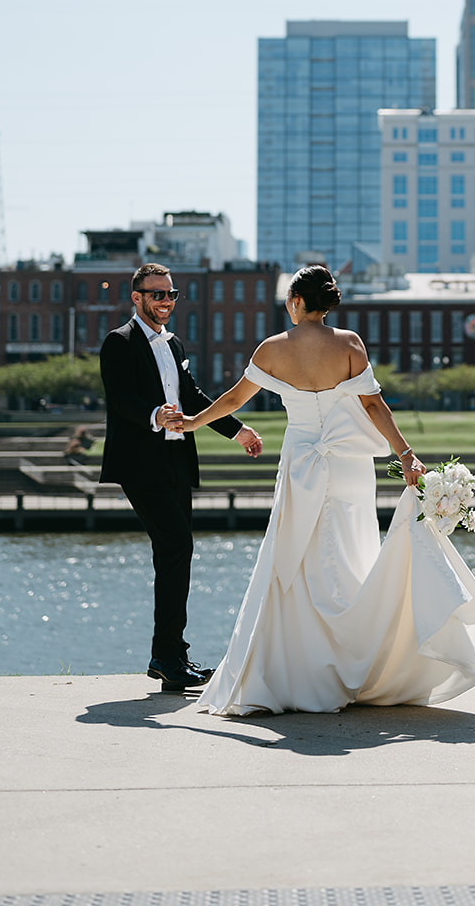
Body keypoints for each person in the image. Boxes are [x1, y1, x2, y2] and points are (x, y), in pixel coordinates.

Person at [164, 262, 475, 715]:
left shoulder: (272, 348)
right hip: (347, 464)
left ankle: (299, 670)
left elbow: (232, 400)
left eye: (288, 298)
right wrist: (405, 455)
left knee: (295, 561)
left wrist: (190, 423)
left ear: (297, 302)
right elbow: (374, 404)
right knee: (349, 556)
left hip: (301, 460)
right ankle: (359, 661)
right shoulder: (349, 344)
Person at [99, 261, 263, 692]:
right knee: (176, 545)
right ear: (136, 298)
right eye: (157, 294)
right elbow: (120, 400)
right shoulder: (119, 342)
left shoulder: (173, 344)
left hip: (175, 461)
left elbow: (191, 397)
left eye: (171, 294)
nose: (166, 301)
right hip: (140, 462)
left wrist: (237, 429)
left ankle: (170, 657)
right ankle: (167, 656)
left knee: (175, 552)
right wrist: (156, 414)